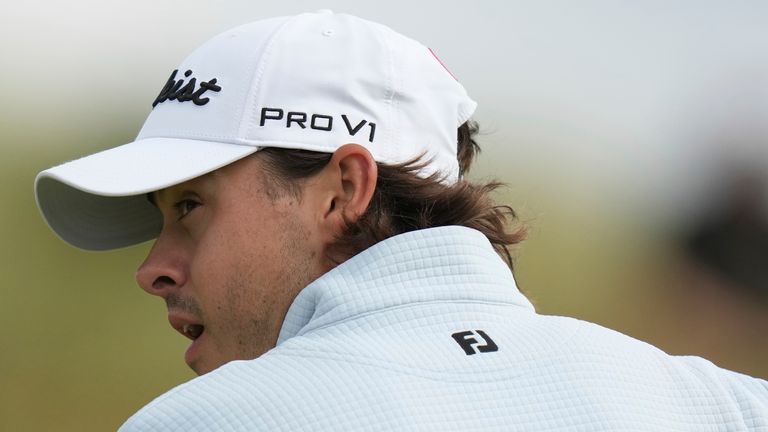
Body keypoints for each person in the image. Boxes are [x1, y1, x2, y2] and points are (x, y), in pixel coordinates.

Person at [35, 10, 767, 432]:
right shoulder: (720, 404)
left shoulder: (203, 423)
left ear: (342, 189)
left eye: (191, 207)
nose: (153, 267)